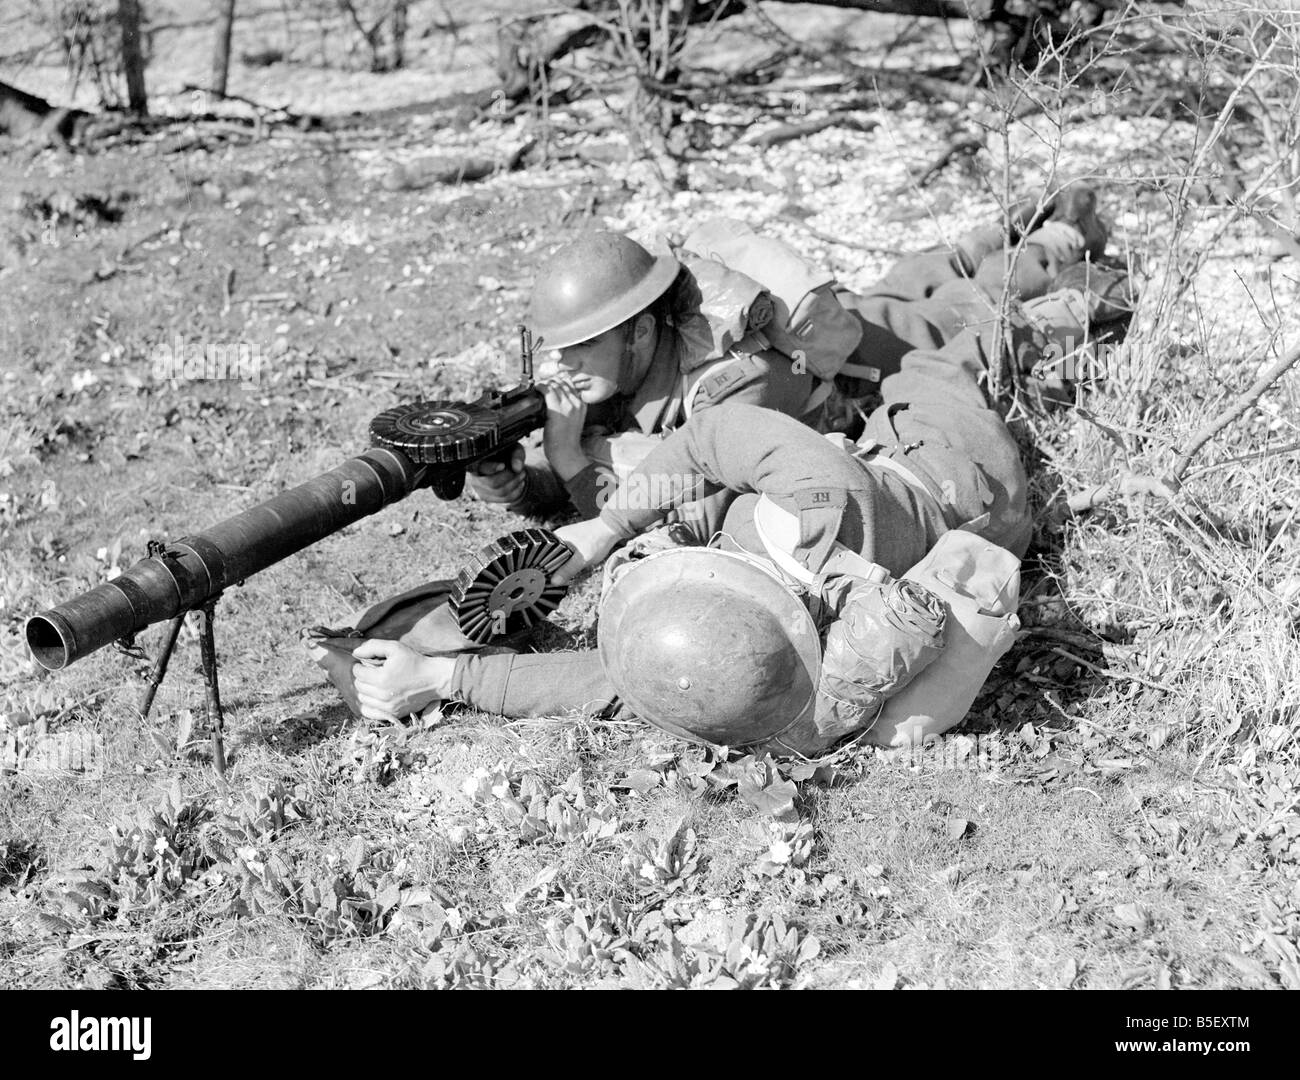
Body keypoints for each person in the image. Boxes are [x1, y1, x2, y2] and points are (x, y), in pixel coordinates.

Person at [309, 223, 1136, 754]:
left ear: (639, 332)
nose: (660, 550)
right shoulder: (810, 509)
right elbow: (698, 467)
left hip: (883, 415)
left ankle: (1076, 265)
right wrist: (558, 496)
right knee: (951, 331)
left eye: (583, 348)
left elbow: (614, 674)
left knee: (962, 327)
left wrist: (446, 678)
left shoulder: (764, 664)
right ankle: (1038, 239)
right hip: (946, 471)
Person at [467, 183, 1119, 528]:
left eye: (582, 348)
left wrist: (567, 459)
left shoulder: (728, 387)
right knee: (921, 276)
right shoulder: (618, 374)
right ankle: (1006, 226)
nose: (562, 369)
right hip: (856, 323)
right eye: (558, 351)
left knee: (970, 304)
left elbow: (657, 502)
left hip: (885, 355)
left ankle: (1066, 236)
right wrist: (523, 485)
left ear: (639, 334)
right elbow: (607, 458)